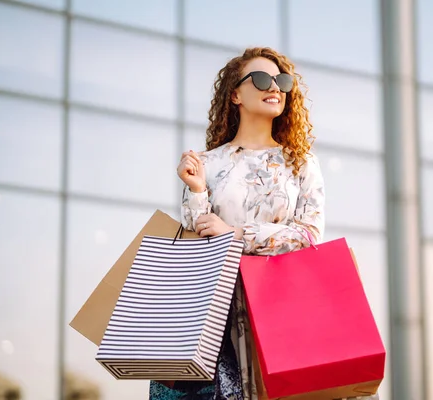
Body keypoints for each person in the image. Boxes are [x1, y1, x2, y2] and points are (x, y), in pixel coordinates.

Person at [149, 47, 377, 400]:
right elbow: (197, 233)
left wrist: (236, 235)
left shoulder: (300, 162)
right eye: (260, 79)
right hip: (221, 309)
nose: (274, 87)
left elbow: (308, 234)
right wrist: (196, 189)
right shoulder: (207, 163)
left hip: (285, 304)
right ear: (235, 94)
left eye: (281, 81)